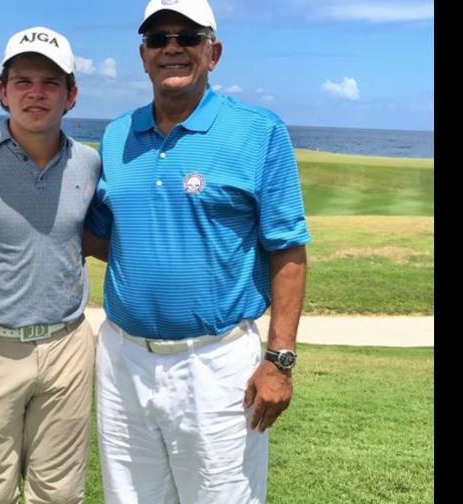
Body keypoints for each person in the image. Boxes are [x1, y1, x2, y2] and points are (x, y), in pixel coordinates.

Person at [83, 0, 311, 502]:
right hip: (123, 359)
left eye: (187, 37)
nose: (172, 48)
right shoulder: (119, 133)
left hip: (217, 363)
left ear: (214, 52)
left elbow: (288, 252)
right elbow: (100, 235)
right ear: (142, 55)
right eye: (157, 38)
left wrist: (280, 359)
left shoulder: (258, 131)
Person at [0, 26, 101, 504]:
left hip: (69, 345)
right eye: (23, 81)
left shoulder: (90, 163)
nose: (37, 93)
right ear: (2, 90)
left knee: (60, 493)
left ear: (71, 95)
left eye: (51, 83)